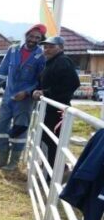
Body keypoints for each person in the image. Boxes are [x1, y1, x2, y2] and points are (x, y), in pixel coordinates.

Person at [0, 24, 47, 170]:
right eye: (31, 36)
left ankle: (13, 162)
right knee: (0, 126)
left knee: (20, 129)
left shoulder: (42, 56)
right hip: (8, 96)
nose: (33, 39)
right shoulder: (13, 50)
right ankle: (1, 159)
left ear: (41, 39)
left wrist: (27, 92)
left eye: (37, 37)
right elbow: (2, 71)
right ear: (26, 35)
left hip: (25, 100)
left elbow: (41, 80)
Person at [31, 36, 80, 171]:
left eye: (51, 47)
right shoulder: (51, 62)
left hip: (58, 109)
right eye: (45, 47)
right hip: (50, 108)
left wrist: (45, 93)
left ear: (61, 48)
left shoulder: (63, 61)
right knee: (47, 139)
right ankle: (53, 168)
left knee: (53, 140)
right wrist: (39, 92)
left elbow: (73, 83)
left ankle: (55, 171)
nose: (47, 50)